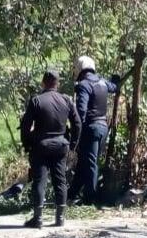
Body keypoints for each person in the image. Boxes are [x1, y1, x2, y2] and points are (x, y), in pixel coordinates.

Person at [20, 70, 81, 228]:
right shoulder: (66, 100)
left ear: (43, 83)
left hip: (40, 146)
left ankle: (38, 218)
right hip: (61, 146)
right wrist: (73, 145)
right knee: (60, 180)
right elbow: (77, 123)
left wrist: (27, 144)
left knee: (40, 181)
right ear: (57, 83)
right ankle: (60, 218)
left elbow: (25, 126)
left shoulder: (36, 101)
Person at [69, 56, 119, 205]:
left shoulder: (84, 85)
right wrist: (116, 79)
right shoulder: (102, 82)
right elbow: (114, 87)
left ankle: (90, 199)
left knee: (90, 163)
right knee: (85, 162)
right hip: (103, 128)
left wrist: (76, 131)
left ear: (79, 69)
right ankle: (71, 194)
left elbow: (81, 111)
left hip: (91, 128)